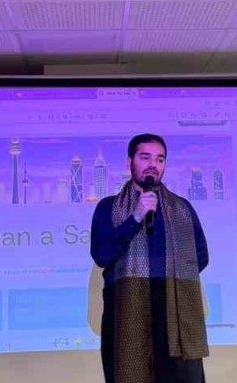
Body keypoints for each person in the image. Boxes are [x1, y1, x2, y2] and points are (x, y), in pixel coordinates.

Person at [90, 133, 209, 383]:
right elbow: (101, 255)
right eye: (145, 157)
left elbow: (201, 256)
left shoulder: (183, 208)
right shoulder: (108, 207)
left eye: (160, 159)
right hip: (126, 311)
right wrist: (136, 217)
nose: (153, 164)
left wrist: (173, 280)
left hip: (175, 312)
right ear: (129, 162)